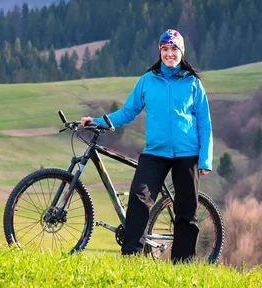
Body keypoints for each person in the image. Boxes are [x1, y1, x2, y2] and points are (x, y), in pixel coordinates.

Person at [80, 29, 212, 263]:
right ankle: (131, 257)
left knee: (186, 211)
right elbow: (128, 111)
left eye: (174, 49)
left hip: (187, 153)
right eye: (165, 49)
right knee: (140, 199)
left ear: (181, 52)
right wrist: (98, 122)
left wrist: (205, 160)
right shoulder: (148, 80)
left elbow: (204, 123)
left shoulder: (192, 83)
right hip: (155, 152)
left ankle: (182, 265)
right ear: (159, 52)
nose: (170, 54)